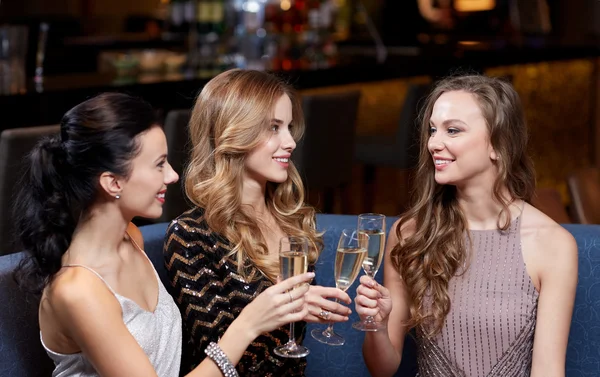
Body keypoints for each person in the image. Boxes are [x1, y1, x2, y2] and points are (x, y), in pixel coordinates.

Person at [14, 92, 314, 377]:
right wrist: (248, 325)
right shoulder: (78, 291)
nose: (172, 176)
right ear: (113, 183)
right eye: (159, 165)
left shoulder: (131, 238)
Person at [354, 75, 578, 377]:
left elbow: (548, 370)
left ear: (498, 144)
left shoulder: (553, 244)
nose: (434, 143)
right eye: (433, 130)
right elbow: (383, 368)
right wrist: (377, 327)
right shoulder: (409, 234)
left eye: (453, 130)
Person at [163, 69, 352, 377]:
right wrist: (267, 314)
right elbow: (227, 365)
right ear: (233, 132)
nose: (290, 141)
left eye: (289, 127)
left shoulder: (290, 222)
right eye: (273, 128)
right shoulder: (191, 237)